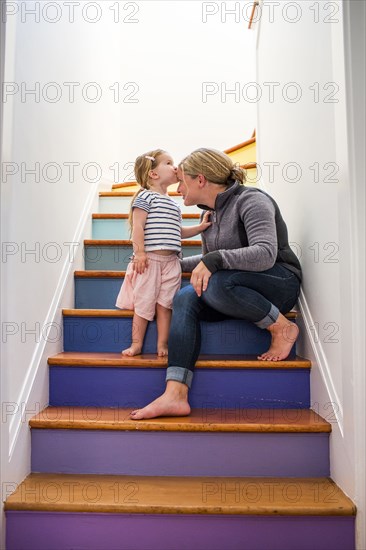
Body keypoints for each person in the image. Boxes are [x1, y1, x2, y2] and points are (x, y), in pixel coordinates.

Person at [130, 147, 302, 419]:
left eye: (182, 182)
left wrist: (213, 261)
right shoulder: (207, 215)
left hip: (278, 281)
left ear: (200, 180)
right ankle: (175, 393)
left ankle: (281, 327)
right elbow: (210, 261)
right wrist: (163, 265)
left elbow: (265, 254)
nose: (177, 190)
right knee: (185, 297)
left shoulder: (252, 200)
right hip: (233, 288)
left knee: (217, 282)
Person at [116, 149, 211, 356]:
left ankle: (163, 344)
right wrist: (139, 253)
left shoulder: (173, 204)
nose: (175, 167)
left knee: (165, 305)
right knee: (143, 304)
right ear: (153, 174)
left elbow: (178, 232)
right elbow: (138, 227)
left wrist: (200, 228)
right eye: (169, 163)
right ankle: (136, 343)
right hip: (149, 260)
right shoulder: (145, 197)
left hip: (172, 262)